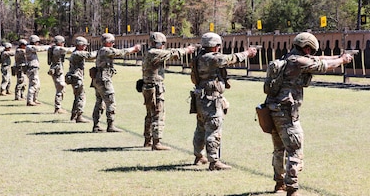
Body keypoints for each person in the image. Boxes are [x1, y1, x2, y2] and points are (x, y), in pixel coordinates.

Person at [264, 32, 353, 196]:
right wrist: (342, 60)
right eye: (310, 50)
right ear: (306, 48)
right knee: (295, 150)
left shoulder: (289, 57)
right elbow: (322, 65)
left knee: (279, 150)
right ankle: (292, 189)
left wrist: (338, 56)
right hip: (287, 113)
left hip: (273, 111)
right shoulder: (298, 61)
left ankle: (279, 184)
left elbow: (319, 58)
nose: (311, 53)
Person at [190, 32, 257, 170]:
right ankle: (214, 162)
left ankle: (199, 156)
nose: (219, 48)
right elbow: (229, 59)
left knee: (201, 128)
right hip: (210, 99)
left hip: (201, 98)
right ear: (214, 46)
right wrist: (247, 53)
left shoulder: (199, 57)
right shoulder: (210, 58)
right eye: (218, 45)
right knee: (214, 128)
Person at [141, 32, 196, 150]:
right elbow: (171, 54)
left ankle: (148, 140)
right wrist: (186, 50)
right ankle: (156, 142)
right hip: (154, 88)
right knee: (157, 114)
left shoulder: (150, 52)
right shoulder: (153, 52)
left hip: (149, 87)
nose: (164, 46)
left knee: (150, 114)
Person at [91, 33, 141, 133]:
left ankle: (96, 125)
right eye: (112, 42)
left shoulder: (102, 50)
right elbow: (120, 52)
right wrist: (133, 49)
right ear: (108, 42)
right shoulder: (105, 50)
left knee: (99, 102)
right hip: (104, 80)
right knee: (110, 101)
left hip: (99, 79)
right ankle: (110, 125)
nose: (113, 44)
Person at [67, 36, 98, 123]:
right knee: (81, 97)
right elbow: (90, 55)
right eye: (84, 45)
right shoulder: (77, 53)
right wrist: (101, 51)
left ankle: (74, 115)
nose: (85, 47)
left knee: (77, 96)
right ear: (79, 45)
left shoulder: (75, 53)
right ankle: (79, 116)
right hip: (77, 78)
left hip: (75, 77)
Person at [48, 35, 75, 114]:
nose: (63, 43)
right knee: (60, 87)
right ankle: (58, 108)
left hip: (57, 69)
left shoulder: (53, 48)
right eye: (62, 42)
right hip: (57, 70)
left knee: (61, 88)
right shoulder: (57, 49)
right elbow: (68, 51)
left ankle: (58, 107)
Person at [25, 35, 50, 106]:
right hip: (32, 68)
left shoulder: (30, 47)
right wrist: (49, 47)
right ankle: (29, 101)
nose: (38, 43)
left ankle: (34, 99)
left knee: (37, 85)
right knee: (33, 84)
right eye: (37, 42)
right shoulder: (29, 47)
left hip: (35, 68)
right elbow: (39, 49)